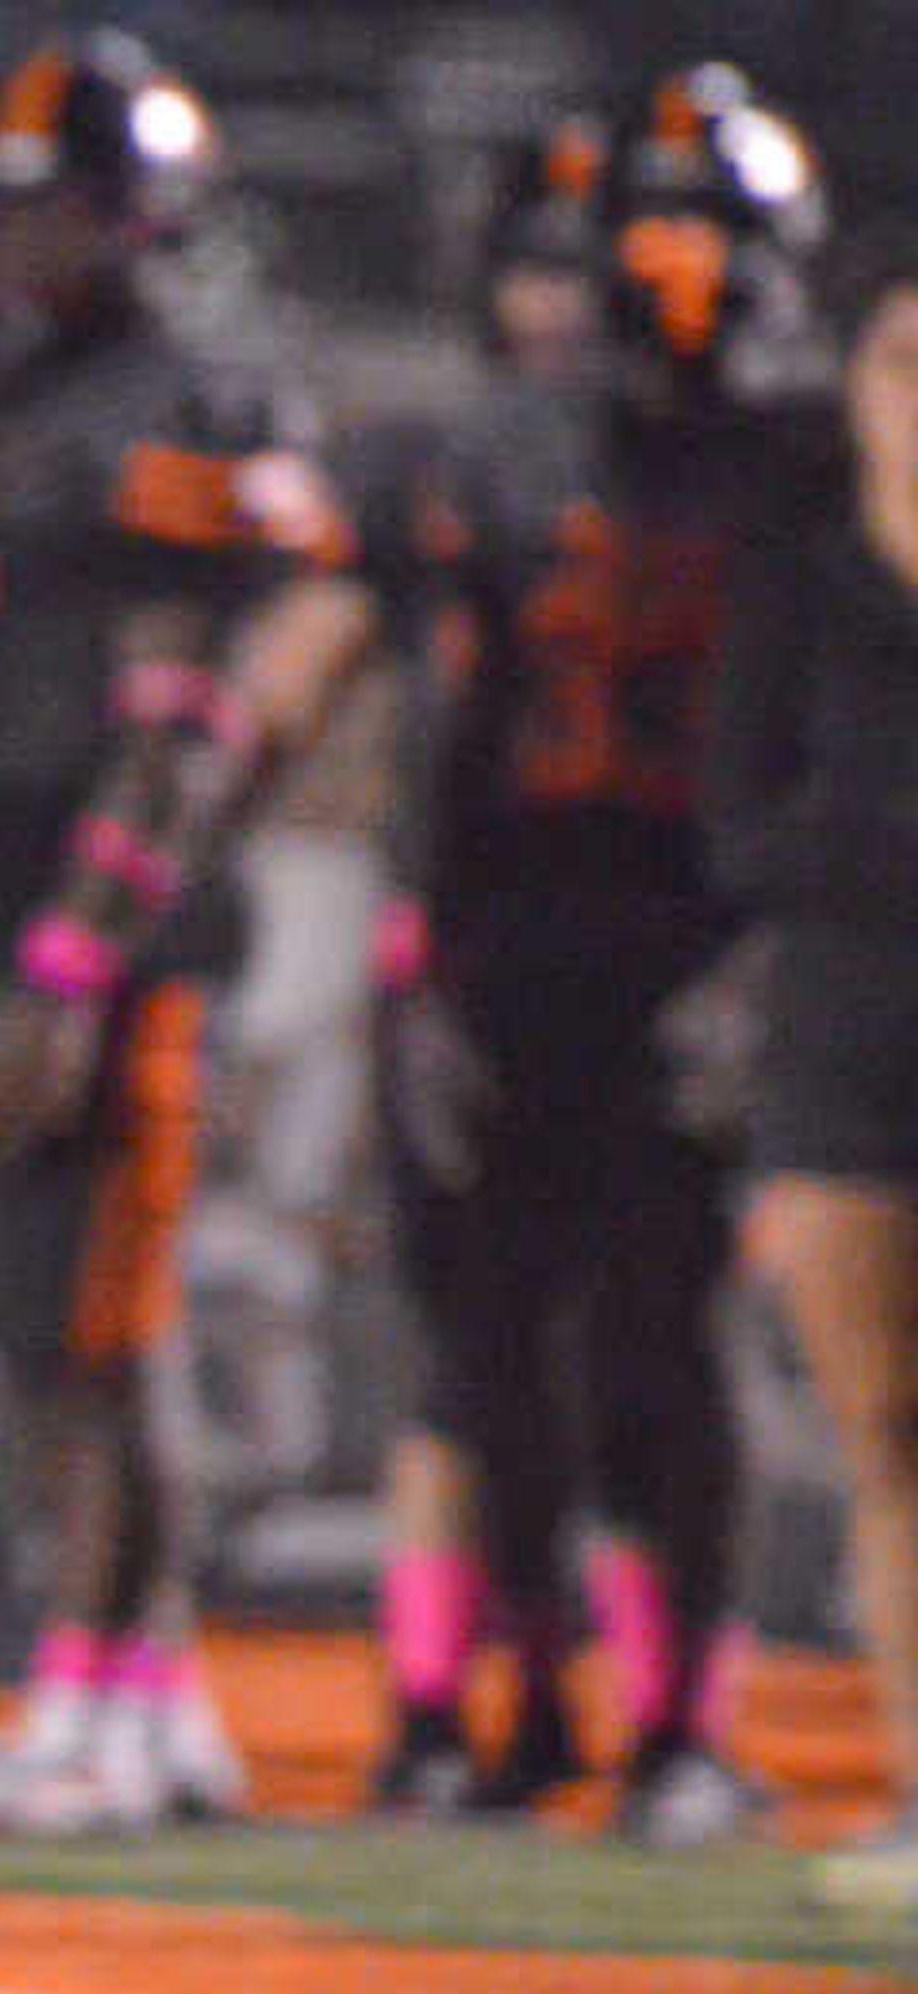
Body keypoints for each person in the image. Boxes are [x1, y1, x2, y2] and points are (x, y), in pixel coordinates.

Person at [0, 34, 367, 1834]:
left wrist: (76, 964)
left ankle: (95, 1691)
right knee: (37, 1327)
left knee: (97, 1329)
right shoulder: (13, 393)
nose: (10, 242)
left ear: (137, 214)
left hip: (90, 938)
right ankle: (142, 1686)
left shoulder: (181, 403)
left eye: (49, 208)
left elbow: (180, 717)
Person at [359, 67, 823, 1843]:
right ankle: (529, 1686)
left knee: (668, 1339)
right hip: (522, 934)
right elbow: (443, 732)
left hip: (704, 930)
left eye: (711, 226)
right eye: (658, 221)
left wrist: (769, 953)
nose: (676, 262)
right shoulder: (501, 442)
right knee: (494, 1343)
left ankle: (688, 1713)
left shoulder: (810, 451)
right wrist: (424, 959)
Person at [713, 225, 918, 1895]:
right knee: (892, 1429)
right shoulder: (806, 581)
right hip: (850, 1042)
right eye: (905, 365)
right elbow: (740, 830)